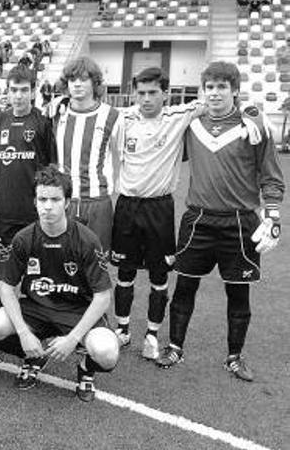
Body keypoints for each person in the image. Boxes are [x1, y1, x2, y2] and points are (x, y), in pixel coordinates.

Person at [157, 62, 285, 382]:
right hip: (198, 218)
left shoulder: (254, 126)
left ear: (234, 91)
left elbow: (271, 177)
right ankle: (175, 347)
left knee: (238, 294)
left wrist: (272, 217)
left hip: (239, 222)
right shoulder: (192, 125)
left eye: (221, 87)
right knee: (185, 286)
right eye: (209, 87)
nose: (214, 93)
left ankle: (234, 357)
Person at [0, 165, 119, 402]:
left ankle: (86, 368)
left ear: (67, 202)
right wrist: (24, 333)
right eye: (42, 199)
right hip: (36, 308)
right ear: (34, 202)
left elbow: (103, 297)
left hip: (76, 311)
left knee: (107, 352)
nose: (48, 206)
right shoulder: (24, 238)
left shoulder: (87, 240)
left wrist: (73, 339)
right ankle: (34, 356)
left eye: (55, 199)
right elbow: (6, 288)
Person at [111, 68, 204, 360]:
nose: (146, 99)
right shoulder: (122, 117)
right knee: (124, 272)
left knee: (158, 274)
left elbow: (214, 100)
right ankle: (122, 329)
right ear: (134, 93)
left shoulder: (178, 116)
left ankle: (151, 334)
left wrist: (251, 111)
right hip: (126, 206)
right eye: (141, 93)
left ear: (166, 93)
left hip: (159, 208)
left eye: (153, 93)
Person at [51, 56, 124, 251]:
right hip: (64, 199)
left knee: (96, 261)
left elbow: (120, 156)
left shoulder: (112, 116)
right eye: (72, 80)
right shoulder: (55, 112)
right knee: (61, 258)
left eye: (83, 79)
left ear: (95, 82)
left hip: (97, 201)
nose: (77, 84)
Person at [0, 66, 56, 253]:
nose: (18, 96)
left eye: (24, 90)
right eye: (13, 90)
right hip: (5, 208)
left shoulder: (43, 122)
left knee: (35, 261)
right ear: (7, 91)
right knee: (6, 262)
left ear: (33, 91)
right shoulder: (0, 120)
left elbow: (51, 165)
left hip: (33, 209)